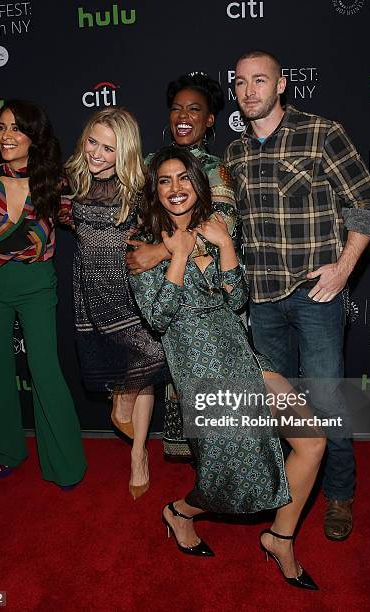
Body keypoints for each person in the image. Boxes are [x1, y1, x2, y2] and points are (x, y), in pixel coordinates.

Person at [130, 146, 326, 590]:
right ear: (155, 190)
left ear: (198, 184)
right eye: (165, 180)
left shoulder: (215, 228)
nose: (176, 188)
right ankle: (179, 512)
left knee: (312, 441)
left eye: (183, 178)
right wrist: (176, 256)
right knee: (232, 481)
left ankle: (280, 537)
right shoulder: (141, 243)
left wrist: (226, 246)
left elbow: (237, 301)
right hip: (200, 368)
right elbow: (159, 318)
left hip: (243, 355)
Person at [225, 50, 370, 541]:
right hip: (263, 301)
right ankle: (281, 489)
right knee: (279, 408)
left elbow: (367, 207)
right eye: (241, 82)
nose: (250, 90)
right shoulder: (235, 154)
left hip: (316, 298)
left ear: (282, 85)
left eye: (260, 80)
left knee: (325, 399)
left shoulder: (321, 133)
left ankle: (339, 494)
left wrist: (342, 270)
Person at [0, 99, 87, 488]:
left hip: (35, 284)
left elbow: (78, 218)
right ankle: (4, 450)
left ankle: (64, 463)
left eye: (16, 128)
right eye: (1, 127)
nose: (7, 136)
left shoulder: (55, 181)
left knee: (45, 370)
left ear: (35, 136)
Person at [126, 72, 238, 456]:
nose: (183, 116)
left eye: (194, 109)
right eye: (176, 109)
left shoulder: (216, 168)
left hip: (207, 295)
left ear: (210, 120)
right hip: (160, 291)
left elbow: (223, 228)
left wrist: (161, 251)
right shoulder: (147, 164)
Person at [61, 107, 169, 499]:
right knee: (134, 369)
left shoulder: (139, 189)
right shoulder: (70, 180)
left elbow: (167, 229)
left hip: (129, 288)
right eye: (93, 141)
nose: (97, 153)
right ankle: (132, 435)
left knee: (151, 358)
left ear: (124, 152)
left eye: (109, 148)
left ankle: (138, 454)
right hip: (90, 290)